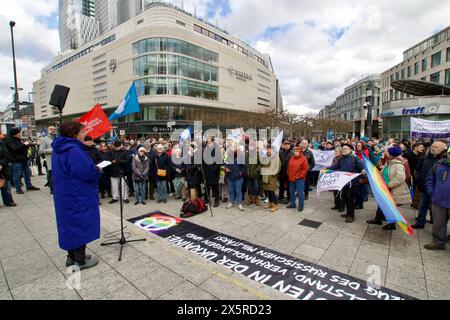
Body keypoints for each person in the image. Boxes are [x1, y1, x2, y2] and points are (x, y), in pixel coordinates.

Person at [52, 121, 100, 270]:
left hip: (65, 194)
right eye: (82, 132)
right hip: (78, 194)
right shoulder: (74, 150)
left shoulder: (59, 148)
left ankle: (71, 258)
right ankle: (80, 260)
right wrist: (97, 169)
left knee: (69, 225)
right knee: (81, 225)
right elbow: (86, 172)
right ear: (74, 134)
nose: (84, 134)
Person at [367, 145, 411, 230]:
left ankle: (391, 224)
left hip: (392, 188)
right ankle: (378, 219)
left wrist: (389, 185)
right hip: (386, 187)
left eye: (386, 152)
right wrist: (379, 173)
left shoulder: (398, 164)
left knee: (391, 207)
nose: (385, 153)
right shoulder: (390, 161)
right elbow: (386, 172)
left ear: (391, 154)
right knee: (382, 203)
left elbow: (401, 177)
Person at [412, 141, 448, 229]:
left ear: (443, 150)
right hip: (423, 186)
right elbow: (417, 169)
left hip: (436, 189)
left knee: (435, 208)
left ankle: (435, 223)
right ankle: (420, 222)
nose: (433, 148)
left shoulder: (443, 161)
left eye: (436, 147)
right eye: (432, 146)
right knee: (422, 205)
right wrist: (418, 179)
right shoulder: (424, 157)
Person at [327, 144, 363, 223]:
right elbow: (335, 167)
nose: (343, 150)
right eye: (343, 148)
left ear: (350, 150)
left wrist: (363, 170)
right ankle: (348, 213)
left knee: (350, 199)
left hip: (352, 183)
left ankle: (351, 216)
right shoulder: (342, 159)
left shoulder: (355, 158)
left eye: (346, 149)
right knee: (345, 198)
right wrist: (326, 170)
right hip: (343, 182)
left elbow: (361, 167)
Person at [424, 147, 450, 250]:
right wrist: (432, 193)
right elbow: (430, 179)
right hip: (439, 201)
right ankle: (438, 242)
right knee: (438, 224)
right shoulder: (439, 164)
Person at [4, 127, 40, 194]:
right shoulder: (9, 140)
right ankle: (18, 188)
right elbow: (15, 148)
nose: (20, 134)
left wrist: (28, 144)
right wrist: (24, 144)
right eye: (19, 132)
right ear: (15, 134)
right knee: (17, 174)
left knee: (27, 172)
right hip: (16, 160)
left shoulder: (18, 139)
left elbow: (21, 147)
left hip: (23, 158)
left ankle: (29, 185)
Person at [286, 147, 309, 212]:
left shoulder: (303, 159)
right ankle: (292, 204)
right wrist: (289, 174)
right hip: (291, 178)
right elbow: (289, 167)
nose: (295, 152)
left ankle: (301, 206)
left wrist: (300, 176)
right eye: (294, 151)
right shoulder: (292, 158)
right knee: (291, 191)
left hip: (299, 179)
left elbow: (305, 169)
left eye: (297, 151)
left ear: (300, 152)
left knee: (299, 192)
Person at [225, 145, 246, 211]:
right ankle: (231, 202)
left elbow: (245, 166)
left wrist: (241, 172)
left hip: (238, 178)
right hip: (229, 177)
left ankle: (239, 203)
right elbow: (224, 163)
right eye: (232, 149)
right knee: (231, 191)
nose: (233, 150)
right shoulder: (228, 156)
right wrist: (225, 168)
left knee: (238, 191)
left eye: (234, 149)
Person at [261, 146, 281, 213]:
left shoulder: (276, 157)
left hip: (272, 177)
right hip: (265, 176)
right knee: (267, 190)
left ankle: (275, 205)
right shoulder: (266, 156)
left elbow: (278, 167)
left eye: (270, 149)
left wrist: (274, 173)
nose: (268, 150)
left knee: (271, 191)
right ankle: (270, 203)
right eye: (267, 149)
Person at [405, 142, 424, 209]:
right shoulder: (408, 155)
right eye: (421, 147)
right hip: (409, 175)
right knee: (410, 188)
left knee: (416, 189)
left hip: (417, 175)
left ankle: (415, 203)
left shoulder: (422, 156)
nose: (422, 148)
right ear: (415, 147)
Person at [39, 126, 57, 194]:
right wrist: (52, 150)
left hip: (59, 160)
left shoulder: (57, 138)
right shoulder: (44, 139)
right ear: (48, 130)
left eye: (54, 129)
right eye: (51, 129)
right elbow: (40, 151)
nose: (53, 130)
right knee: (52, 176)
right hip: (51, 161)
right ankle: (52, 189)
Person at [0, 134, 16, 207]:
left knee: (6, 185)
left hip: (3, 168)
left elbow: (6, 156)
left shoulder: (1, 144)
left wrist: (1, 164)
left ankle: (8, 201)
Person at [246, 141, 261, 206]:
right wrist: (246, 170)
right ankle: (250, 198)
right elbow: (245, 164)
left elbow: (260, 164)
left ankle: (256, 198)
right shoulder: (247, 155)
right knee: (249, 187)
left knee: (256, 187)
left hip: (255, 175)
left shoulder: (257, 155)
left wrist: (257, 170)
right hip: (248, 174)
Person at [331, 147, 345, 212]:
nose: (335, 152)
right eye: (335, 151)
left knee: (341, 193)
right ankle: (336, 204)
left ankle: (341, 206)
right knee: (335, 192)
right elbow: (333, 166)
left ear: (340, 152)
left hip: (341, 177)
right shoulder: (334, 158)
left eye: (337, 151)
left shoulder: (342, 159)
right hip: (335, 176)